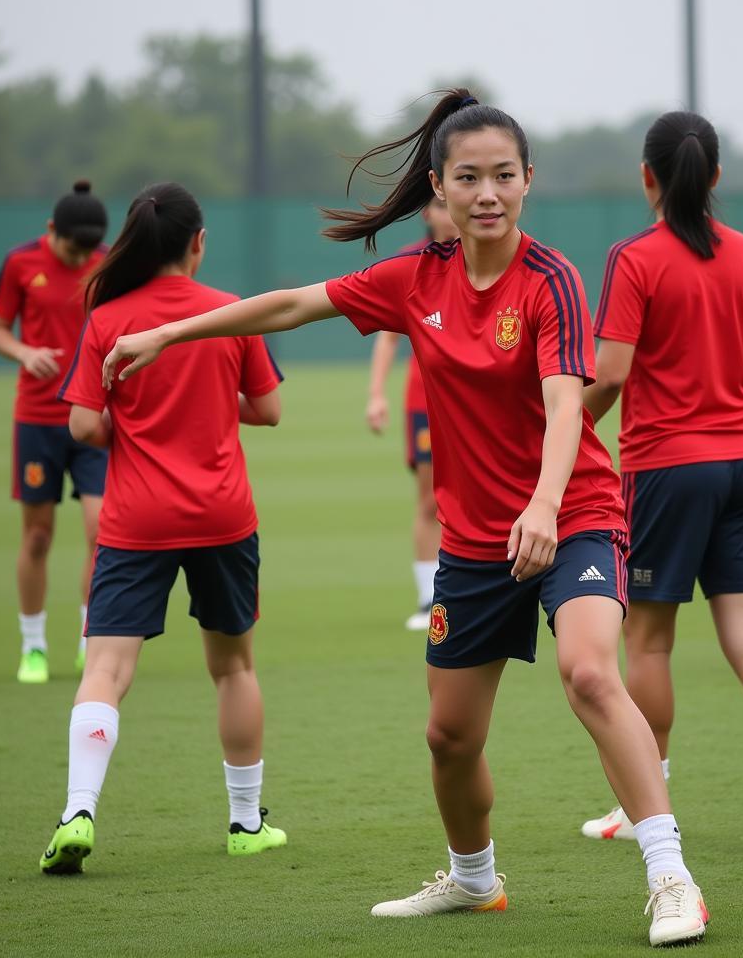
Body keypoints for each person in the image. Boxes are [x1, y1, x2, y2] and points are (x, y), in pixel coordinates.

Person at [100, 92, 710, 947]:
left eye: (504, 174)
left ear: (528, 181)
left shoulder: (553, 282)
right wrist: (171, 335)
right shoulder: (417, 277)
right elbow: (287, 305)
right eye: (469, 177)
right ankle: (472, 881)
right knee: (448, 735)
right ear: (441, 187)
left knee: (588, 673)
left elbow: (568, 405)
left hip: (571, 514)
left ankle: (672, 877)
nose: (487, 191)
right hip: (473, 543)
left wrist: (543, 505)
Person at [579, 111, 743, 854]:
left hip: (667, 468)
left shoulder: (633, 257)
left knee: (647, 644)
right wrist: (711, 355)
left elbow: (609, 372)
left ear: (647, 176)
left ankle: (649, 806)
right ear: (715, 176)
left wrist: (562, 430)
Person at [38, 183, 286, 875]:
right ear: (198, 243)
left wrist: (142, 418)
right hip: (223, 515)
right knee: (233, 666)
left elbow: (85, 425)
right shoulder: (229, 312)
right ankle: (245, 824)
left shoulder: (107, 317)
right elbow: (267, 410)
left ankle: (78, 811)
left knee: (106, 669)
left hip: (135, 518)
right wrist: (205, 403)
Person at [0, 180, 109, 684]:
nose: (80, 256)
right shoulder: (20, 264)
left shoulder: (106, 263)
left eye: (87, 248)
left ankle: (90, 640)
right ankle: (33, 646)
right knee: (37, 537)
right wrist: (24, 352)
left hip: (93, 417)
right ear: (50, 230)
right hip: (37, 418)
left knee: (102, 532)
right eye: (71, 246)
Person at [365, 199, 458, 630]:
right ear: (428, 212)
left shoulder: (491, 259)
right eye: (439, 206)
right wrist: (376, 395)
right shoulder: (409, 265)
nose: (449, 213)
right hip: (426, 401)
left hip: (479, 403)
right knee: (430, 498)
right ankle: (429, 599)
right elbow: (386, 339)